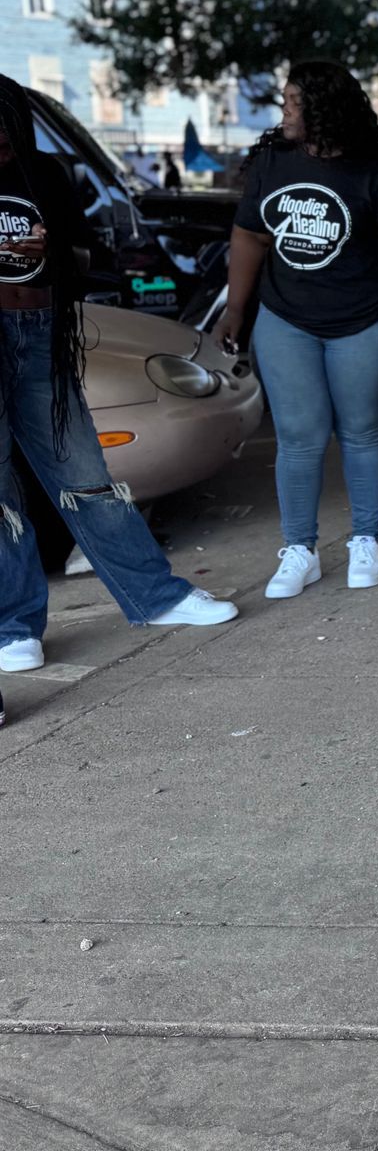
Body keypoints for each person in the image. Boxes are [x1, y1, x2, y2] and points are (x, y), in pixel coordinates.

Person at [1, 73, 237, 715]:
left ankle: (156, 598)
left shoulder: (43, 172)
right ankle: (13, 626)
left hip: (43, 330)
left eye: (3, 129)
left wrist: (54, 253)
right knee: (0, 495)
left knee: (84, 474)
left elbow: (85, 253)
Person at [220, 62, 378, 598]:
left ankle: (366, 540)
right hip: (286, 319)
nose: (285, 111)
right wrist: (235, 310)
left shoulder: (374, 170)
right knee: (298, 437)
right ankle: (300, 550)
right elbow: (249, 237)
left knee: (360, 431)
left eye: (293, 102)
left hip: (364, 321)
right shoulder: (273, 161)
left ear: (324, 110)